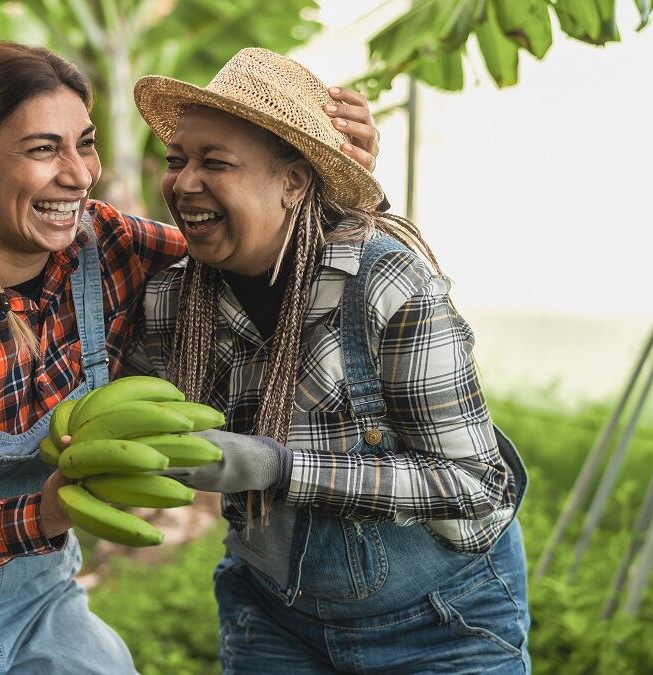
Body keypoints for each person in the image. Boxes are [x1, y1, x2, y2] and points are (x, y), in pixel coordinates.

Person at [0, 42, 383, 674]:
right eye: (42, 149)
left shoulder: (105, 247)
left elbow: (255, 249)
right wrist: (43, 514)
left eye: (84, 143)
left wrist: (334, 187)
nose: (78, 174)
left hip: (41, 598)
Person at [129, 48, 530, 674]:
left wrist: (277, 468)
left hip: (441, 620)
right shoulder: (170, 302)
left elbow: (475, 483)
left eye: (216, 163)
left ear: (292, 183)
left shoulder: (381, 281)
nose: (183, 183)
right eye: (177, 161)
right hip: (273, 616)